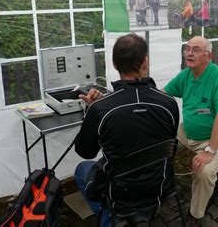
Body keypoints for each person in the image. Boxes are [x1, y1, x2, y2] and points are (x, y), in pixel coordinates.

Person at [74, 34, 180, 226]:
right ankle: (140, 214)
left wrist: (90, 110)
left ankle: (112, 217)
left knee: (82, 169)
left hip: (119, 193)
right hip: (159, 187)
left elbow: (85, 151)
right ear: (145, 62)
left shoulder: (100, 109)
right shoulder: (169, 104)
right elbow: (170, 146)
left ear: (115, 64)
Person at [163, 36, 218, 226]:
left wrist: (209, 151)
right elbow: (163, 94)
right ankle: (162, 183)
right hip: (187, 132)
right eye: (187, 48)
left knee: (204, 172)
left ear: (209, 56)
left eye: (196, 50)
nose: (189, 53)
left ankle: (196, 215)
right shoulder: (186, 75)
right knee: (158, 141)